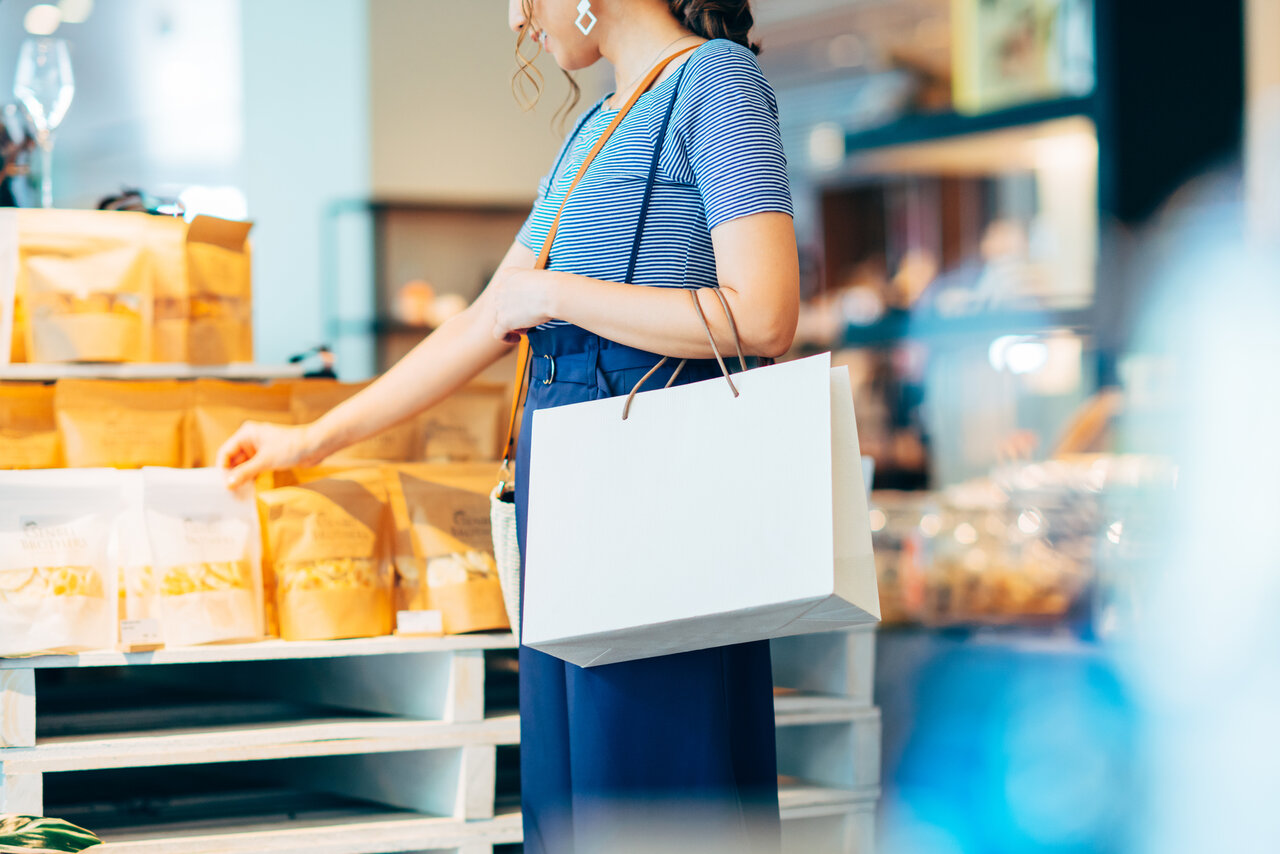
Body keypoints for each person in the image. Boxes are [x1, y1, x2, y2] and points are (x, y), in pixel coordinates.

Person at [217, 1, 799, 851]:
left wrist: (555, 296)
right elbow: (485, 320)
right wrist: (306, 441)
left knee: (649, 783)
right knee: (572, 799)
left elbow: (766, 312)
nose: (518, 21)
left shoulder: (715, 78)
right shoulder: (599, 122)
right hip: (571, 477)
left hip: (650, 468)